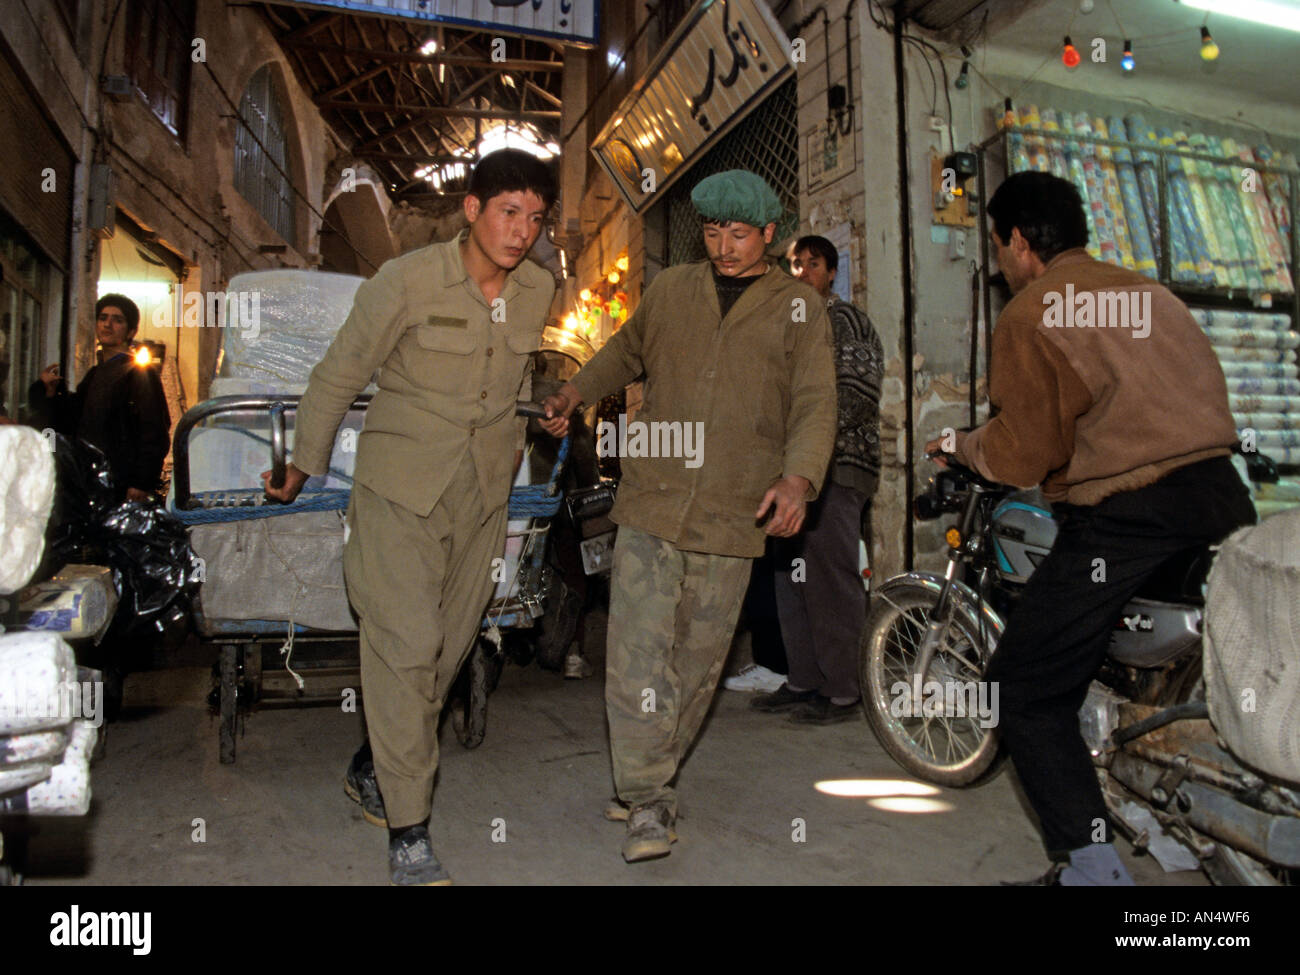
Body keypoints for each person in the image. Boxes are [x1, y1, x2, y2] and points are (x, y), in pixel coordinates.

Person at [923, 171, 1254, 886]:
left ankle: (1092, 868)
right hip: (1224, 499)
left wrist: (962, 445)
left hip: (1130, 517)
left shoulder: (1033, 309)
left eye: (997, 244)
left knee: (1020, 686)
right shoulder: (1151, 294)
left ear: (1016, 240)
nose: (1001, 260)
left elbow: (1026, 449)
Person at [262, 149, 557, 886]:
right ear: (471, 209)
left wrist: (547, 408)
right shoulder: (406, 281)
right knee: (405, 640)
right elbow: (339, 372)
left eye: (535, 217)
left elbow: (515, 376)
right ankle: (409, 830)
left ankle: (375, 759)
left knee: (450, 647)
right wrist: (302, 462)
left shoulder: (538, 289)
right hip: (400, 489)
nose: (521, 231)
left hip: (482, 493)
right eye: (508, 212)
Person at [540, 169, 837, 863]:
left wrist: (799, 477)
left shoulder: (799, 309)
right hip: (651, 497)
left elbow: (817, 401)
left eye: (739, 233)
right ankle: (649, 794)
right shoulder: (672, 290)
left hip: (736, 511)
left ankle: (648, 767)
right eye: (712, 231)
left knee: (696, 663)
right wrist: (577, 390)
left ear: (770, 234)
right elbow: (625, 351)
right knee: (637, 649)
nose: (725, 245)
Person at [751, 235, 882, 723]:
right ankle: (805, 679)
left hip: (837, 468)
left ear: (832, 272)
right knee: (792, 577)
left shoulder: (845, 321)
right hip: (795, 473)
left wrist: (809, 451)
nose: (802, 272)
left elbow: (855, 396)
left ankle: (845, 690)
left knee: (830, 577)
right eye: (794, 264)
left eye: (812, 264)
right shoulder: (794, 325)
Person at [30, 294, 170, 502]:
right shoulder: (95, 374)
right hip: (90, 481)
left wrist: (141, 482)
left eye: (117, 320)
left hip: (121, 485)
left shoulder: (139, 374)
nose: (108, 324)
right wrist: (49, 393)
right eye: (103, 318)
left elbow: (154, 430)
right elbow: (74, 422)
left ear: (131, 331)